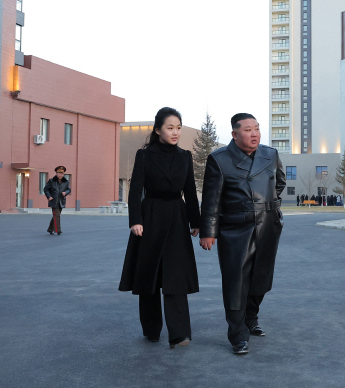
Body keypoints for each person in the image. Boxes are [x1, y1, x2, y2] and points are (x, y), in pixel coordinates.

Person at [200, 113, 286, 354]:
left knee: (261, 277)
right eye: (248, 130)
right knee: (235, 280)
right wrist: (208, 231)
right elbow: (211, 199)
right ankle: (237, 334)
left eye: (256, 128)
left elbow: (279, 184)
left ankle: (251, 318)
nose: (254, 134)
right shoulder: (220, 159)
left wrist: (267, 206)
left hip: (267, 224)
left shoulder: (270, 154)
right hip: (235, 227)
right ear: (234, 134)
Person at [119, 107, 200, 349]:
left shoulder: (185, 156)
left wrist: (196, 222)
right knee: (150, 275)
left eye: (178, 128)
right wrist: (135, 220)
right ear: (157, 130)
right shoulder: (145, 155)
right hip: (150, 217)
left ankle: (180, 334)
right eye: (170, 127)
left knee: (176, 275)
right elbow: (135, 191)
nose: (175, 132)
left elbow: (190, 192)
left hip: (177, 217)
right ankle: (152, 329)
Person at [43, 166, 71, 235]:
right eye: (59, 173)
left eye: (62, 173)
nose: (60, 175)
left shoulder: (66, 181)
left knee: (56, 216)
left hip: (61, 201)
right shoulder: (51, 181)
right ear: (56, 173)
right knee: (57, 215)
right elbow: (46, 189)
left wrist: (66, 192)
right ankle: (58, 230)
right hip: (54, 201)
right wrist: (49, 196)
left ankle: (50, 229)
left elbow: (69, 189)